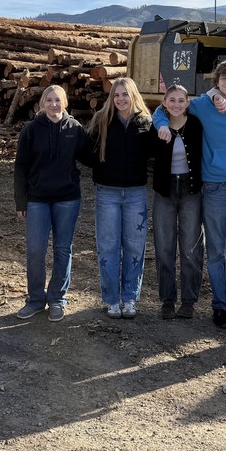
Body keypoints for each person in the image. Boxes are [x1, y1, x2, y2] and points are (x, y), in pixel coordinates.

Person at [154, 61, 226, 330]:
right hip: (214, 186)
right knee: (215, 251)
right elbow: (165, 108)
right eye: (224, 80)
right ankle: (220, 306)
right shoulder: (204, 104)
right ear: (217, 82)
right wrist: (161, 124)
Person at [14, 85, 91, 322]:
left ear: (65, 103)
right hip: (37, 199)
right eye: (49, 100)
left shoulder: (74, 129)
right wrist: (21, 201)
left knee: (62, 249)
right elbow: (20, 167)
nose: (54, 104)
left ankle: (57, 298)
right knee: (36, 250)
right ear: (42, 104)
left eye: (58, 100)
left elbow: (91, 157)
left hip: (67, 198)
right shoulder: (31, 130)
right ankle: (36, 299)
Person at [86, 77, 154, 318]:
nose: (121, 99)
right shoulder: (102, 121)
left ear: (133, 95)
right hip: (107, 193)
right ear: (111, 98)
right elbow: (87, 152)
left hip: (136, 193)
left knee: (135, 247)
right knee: (108, 246)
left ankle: (130, 298)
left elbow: (155, 154)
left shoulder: (145, 123)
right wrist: (101, 171)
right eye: (117, 95)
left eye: (125, 94)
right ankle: (111, 299)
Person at [151, 83, 205, 320]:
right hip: (164, 191)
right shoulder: (158, 126)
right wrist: (160, 124)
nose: (176, 104)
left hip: (191, 190)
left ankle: (189, 300)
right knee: (164, 247)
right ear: (164, 103)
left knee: (191, 247)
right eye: (171, 100)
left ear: (187, 103)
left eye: (181, 100)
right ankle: (167, 299)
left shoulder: (195, 125)